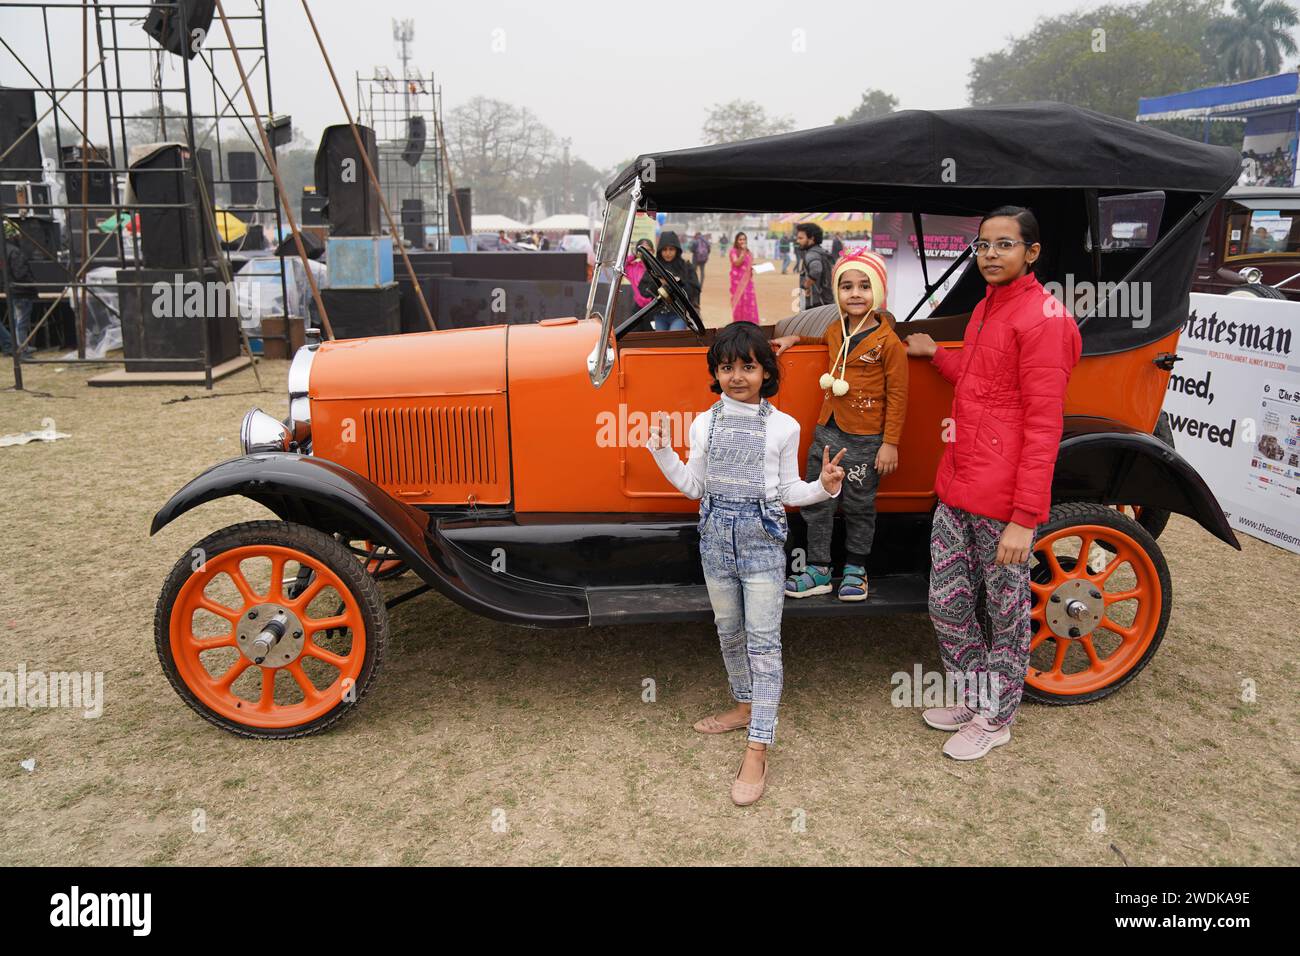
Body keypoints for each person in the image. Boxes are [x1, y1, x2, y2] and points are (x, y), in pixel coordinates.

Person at [640, 322, 846, 805]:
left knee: (763, 644)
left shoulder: (784, 426)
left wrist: (825, 487)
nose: (736, 376)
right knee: (728, 630)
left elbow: (790, 491)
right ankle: (743, 704)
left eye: (748, 367)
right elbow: (696, 487)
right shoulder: (701, 423)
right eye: (727, 367)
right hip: (714, 540)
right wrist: (663, 453)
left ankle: (758, 745)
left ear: (765, 372)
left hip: (761, 543)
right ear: (715, 371)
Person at [903, 206, 1081, 760]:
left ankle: (996, 718)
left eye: (1004, 245)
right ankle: (979, 695)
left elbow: (1044, 425)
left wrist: (1025, 519)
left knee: (1004, 616)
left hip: (1003, 501)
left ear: (1031, 252)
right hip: (957, 485)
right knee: (946, 604)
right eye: (982, 245)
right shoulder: (986, 308)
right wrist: (937, 357)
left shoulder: (1046, 319)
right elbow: (983, 385)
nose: (990, 254)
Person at [771, 250, 907, 600]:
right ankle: (818, 570)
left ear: (878, 291)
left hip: (865, 439)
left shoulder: (888, 343)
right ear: (838, 294)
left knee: (860, 505)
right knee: (818, 500)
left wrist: (889, 442)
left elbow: (899, 395)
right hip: (827, 432)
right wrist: (796, 339)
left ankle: (856, 570)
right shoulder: (836, 329)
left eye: (864, 286)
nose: (855, 293)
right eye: (847, 287)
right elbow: (825, 341)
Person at [638, 230, 699, 331]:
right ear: (660, 250)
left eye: (671, 249)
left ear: (677, 250)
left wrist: (679, 282)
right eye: (664, 249)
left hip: (680, 314)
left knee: (674, 341)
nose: (668, 253)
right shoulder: (654, 268)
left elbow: (695, 290)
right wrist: (659, 283)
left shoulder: (686, 267)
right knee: (662, 343)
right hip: (659, 315)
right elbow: (643, 290)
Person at [1, 220, 36, 356]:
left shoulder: (4, 250)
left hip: (11, 290)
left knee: (17, 321)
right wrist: (32, 283)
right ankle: (23, 351)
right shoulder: (14, 251)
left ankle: (21, 347)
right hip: (21, 291)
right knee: (21, 322)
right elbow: (20, 273)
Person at [796, 222, 834, 308]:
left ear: (811, 238)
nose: (797, 241)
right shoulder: (822, 252)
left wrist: (805, 285)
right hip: (827, 300)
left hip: (815, 302)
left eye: (801, 238)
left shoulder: (812, 254)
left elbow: (816, 269)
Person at [728, 231, 760, 324]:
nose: (742, 241)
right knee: (739, 301)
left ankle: (750, 322)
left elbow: (748, 264)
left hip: (748, 281)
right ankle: (739, 322)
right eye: (740, 239)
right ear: (736, 241)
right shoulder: (733, 251)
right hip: (737, 282)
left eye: (744, 239)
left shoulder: (748, 252)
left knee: (749, 300)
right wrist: (742, 252)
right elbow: (737, 263)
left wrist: (753, 266)